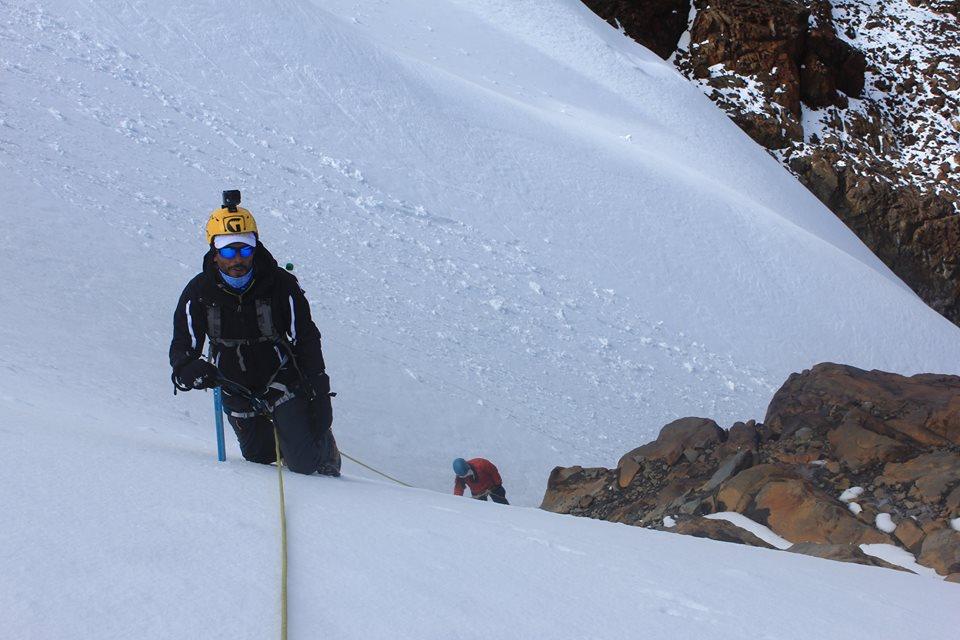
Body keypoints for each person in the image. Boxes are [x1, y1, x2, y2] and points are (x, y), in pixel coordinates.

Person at [169, 191, 341, 476]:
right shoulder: (199, 292)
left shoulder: (280, 284)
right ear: (214, 253)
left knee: (304, 464)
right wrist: (187, 369)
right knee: (259, 456)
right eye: (228, 251)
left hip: (282, 381)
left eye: (245, 249)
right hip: (233, 384)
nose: (237, 259)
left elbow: (306, 338)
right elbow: (183, 346)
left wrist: (319, 391)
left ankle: (320, 446)